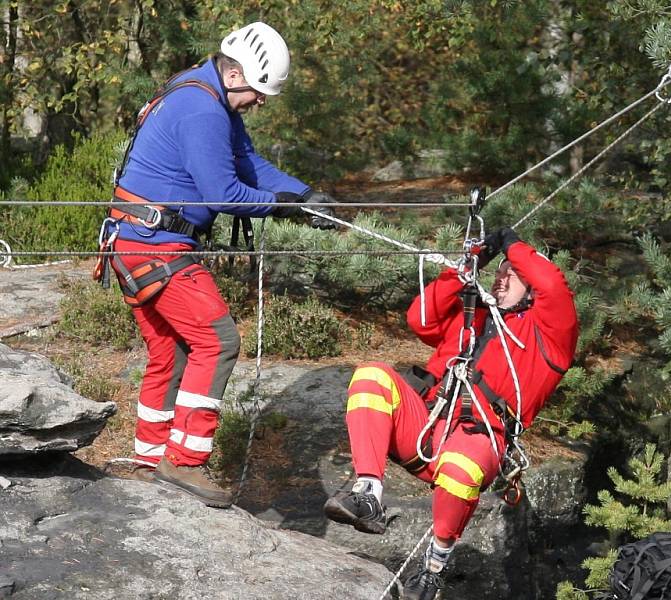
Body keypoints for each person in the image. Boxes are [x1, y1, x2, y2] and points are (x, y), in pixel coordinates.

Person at [105, 22, 333, 508]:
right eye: (257, 90)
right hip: (155, 245)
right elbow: (223, 193)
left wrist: (308, 197)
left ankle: (150, 456)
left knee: (171, 349)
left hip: (134, 239)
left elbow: (248, 165)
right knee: (217, 340)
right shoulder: (201, 109)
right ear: (234, 74)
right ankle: (185, 461)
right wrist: (280, 206)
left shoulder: (207, 94)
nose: (261, 101)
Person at [323, 227, 579, 599]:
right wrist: (472, 261)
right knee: (371, 374)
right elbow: (420, 318)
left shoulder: (550, 335)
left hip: (477, 438)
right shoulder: (470, 315)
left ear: (531, 288)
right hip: (424, 428)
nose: (503, 276)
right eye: (500, 271)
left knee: (461, 467)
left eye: (514, 273)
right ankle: (368, 495)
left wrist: (511, 244)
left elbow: (553, 285)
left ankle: (432, 568)